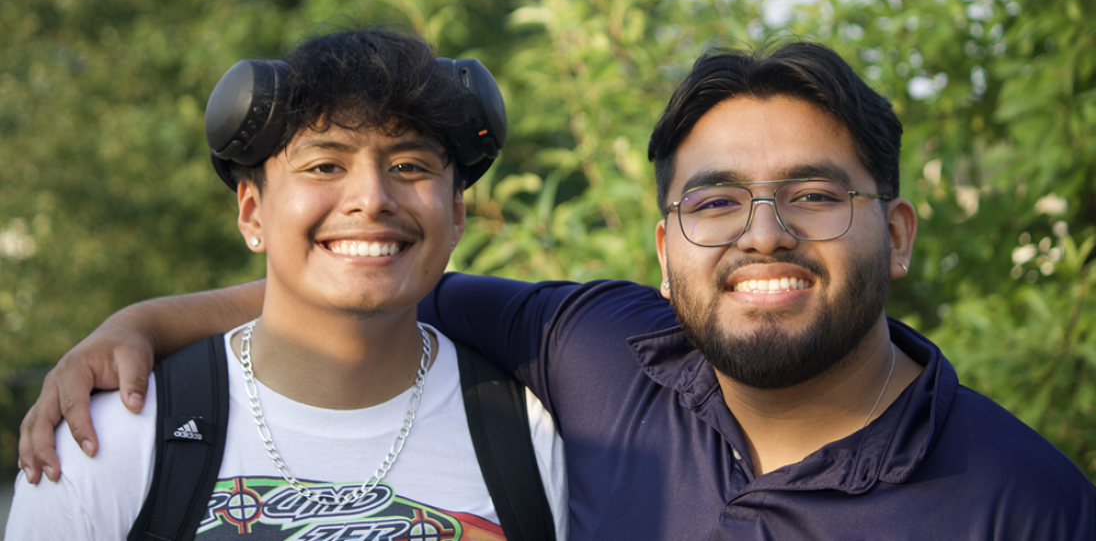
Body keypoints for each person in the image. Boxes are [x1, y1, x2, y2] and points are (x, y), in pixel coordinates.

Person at [19, 41, 1096, 539]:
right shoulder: (595, 356)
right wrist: (143, 324)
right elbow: (364, 283)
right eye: (715, 201)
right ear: (665, 244)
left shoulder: (1024, 504)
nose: (764, 234)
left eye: (814, 194)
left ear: (895, 231)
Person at [8, 27, 567, 540]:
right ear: (252, 213)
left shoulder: (527, 435)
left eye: (410, 167)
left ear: (457, 214)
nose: (371, 198)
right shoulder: (112, 441)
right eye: (325, 165)